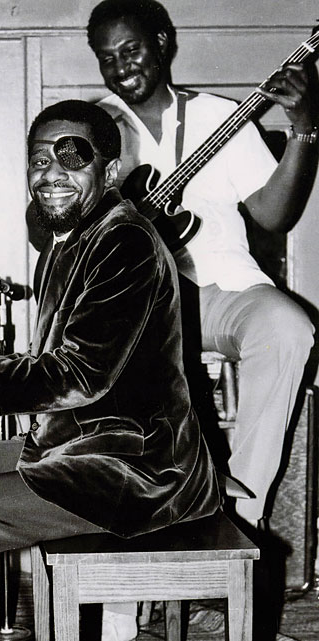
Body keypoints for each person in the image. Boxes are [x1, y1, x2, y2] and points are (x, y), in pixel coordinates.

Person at [0, 99, 220, 641]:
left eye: (72, 157)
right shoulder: (70, 240)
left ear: (110, 171)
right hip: (77, 448)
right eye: (39, 160)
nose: (51, 172)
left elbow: (78, 375)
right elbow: (47, 363)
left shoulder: (125, 241)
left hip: (136, 471)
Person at [87, 0, 317, 530]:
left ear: (162, 43)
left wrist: (304, 128)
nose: (120, 67)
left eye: (131, 50)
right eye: (107, 57)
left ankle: (239, 520)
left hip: (222, 290)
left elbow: (274, 214)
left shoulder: (219, 116)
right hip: (137, 304)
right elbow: (50, 220)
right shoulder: (91, 127)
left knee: (288, 329)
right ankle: (132, 550)